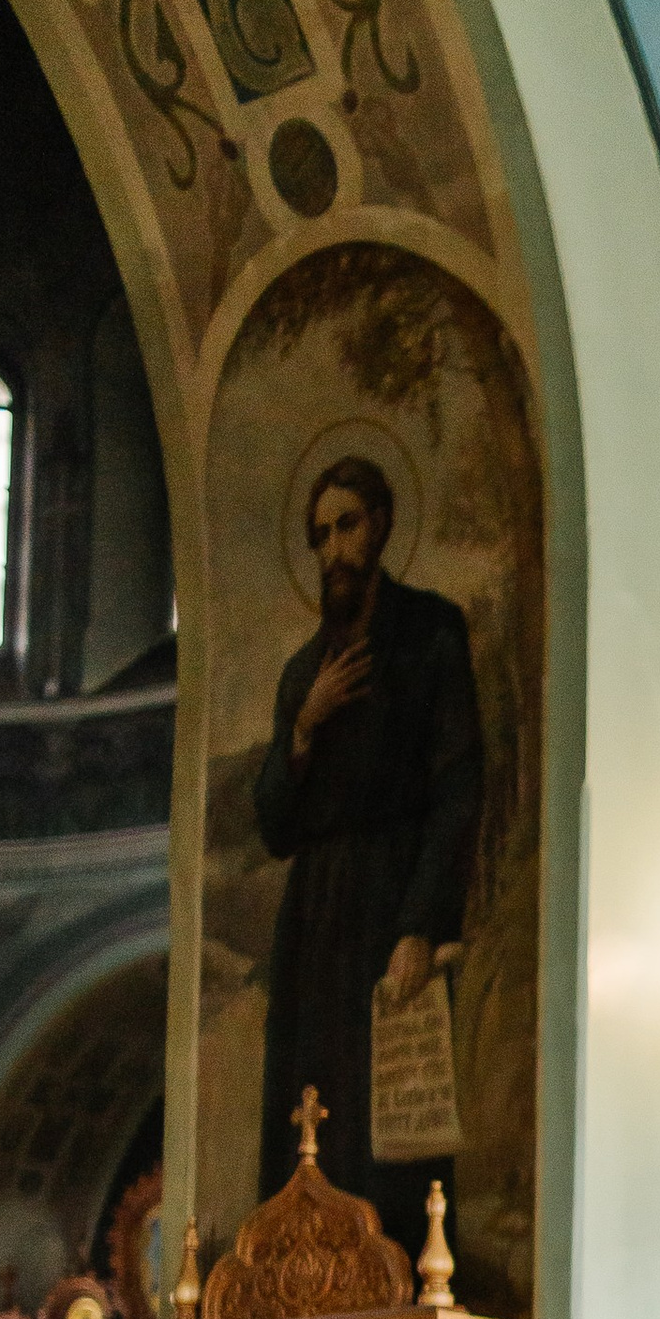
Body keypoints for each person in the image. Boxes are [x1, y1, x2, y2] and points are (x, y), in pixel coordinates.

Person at [255, 457, 483, 1262]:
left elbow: (457, 786)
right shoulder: (302, 673)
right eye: (320, 535)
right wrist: (303, 730)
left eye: (346, 526)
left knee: (384, 1114)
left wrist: (421, 922)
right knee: (313, 1095)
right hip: (315, 918)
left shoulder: (429, 634)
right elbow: (273, 825)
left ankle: (397, 1272)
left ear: (381, 525)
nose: (333, 551)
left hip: (391, 899)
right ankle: (304, 1268)